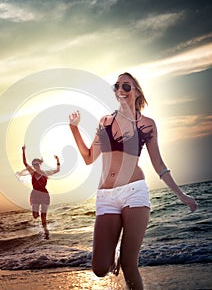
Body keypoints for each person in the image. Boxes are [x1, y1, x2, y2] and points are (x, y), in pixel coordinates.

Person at [69, 72, 197, 289]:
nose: (120, 90)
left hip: (134, 192)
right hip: (106, 197)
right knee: (100, 268)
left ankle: (125, 254)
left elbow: (159, 164)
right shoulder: (106, 121)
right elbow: (89, 157)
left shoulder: (147, 124)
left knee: (129, 264)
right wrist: (74, 128)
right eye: (116, 86)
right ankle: (115, 251)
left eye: (126, 86)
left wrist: (181, 194)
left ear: (136, 91)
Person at [22, 145, 60, 239]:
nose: (35, 166)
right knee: (35, 216)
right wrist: (23, 151)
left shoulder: (45, 173)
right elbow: (25, 163)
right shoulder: (32, 173)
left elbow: (57, 170)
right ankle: (41, 221)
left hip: (44, 195)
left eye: (36, 164)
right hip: (35, 195)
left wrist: (57, 160)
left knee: (43, 217)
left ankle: (46, 233)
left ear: (40, 164)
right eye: (34, 164)